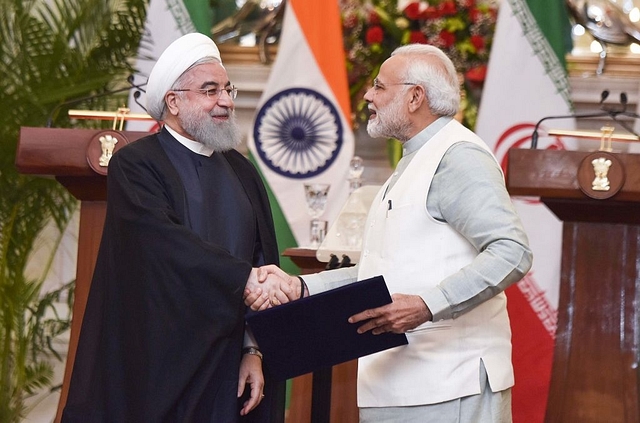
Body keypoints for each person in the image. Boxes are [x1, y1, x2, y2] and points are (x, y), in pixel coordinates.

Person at [249, 44, 533, 422]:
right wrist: (300, 288)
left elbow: (512, 251)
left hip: (451, 384)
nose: (368, 95)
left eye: (380, 87)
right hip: (402, 384)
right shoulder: (413, 159)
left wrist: (428, 305)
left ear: (415, 96)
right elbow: (381, 270)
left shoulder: (458, 156)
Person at [62, 33, 297, 423]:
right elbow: (163, 246)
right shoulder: (136, 165)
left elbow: (261, 255)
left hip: (228, 367)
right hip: (158, 364)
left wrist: (253, 351)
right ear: (174, 101)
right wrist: (247, 280)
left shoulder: (242, 170)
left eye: (227, 89)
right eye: (210, 90)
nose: (225, 100)